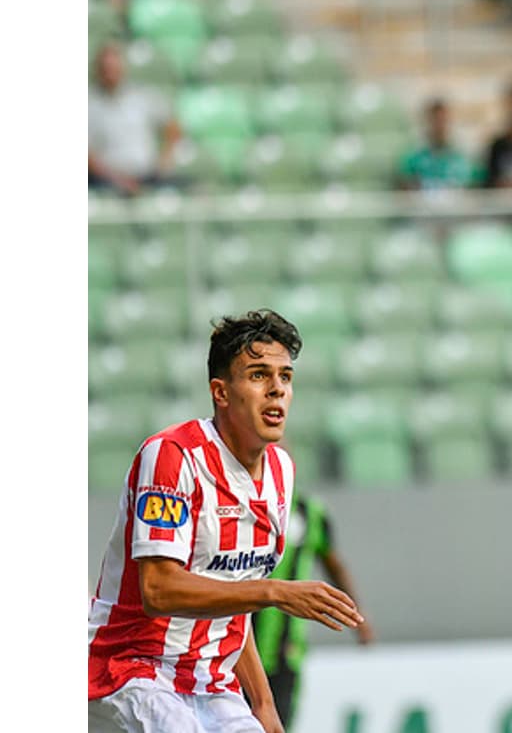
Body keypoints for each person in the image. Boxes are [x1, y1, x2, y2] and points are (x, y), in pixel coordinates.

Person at [88, 310, 366, 733]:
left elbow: (233, 601)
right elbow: (158, 590)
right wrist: (274, 591)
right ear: (221, 391)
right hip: (131, 670)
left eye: (285, 377)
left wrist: (264, 703)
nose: (276, 389)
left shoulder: (281, 472)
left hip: (212, 682)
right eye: (258, 375)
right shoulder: (172, 457)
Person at [253, 494, 376, 731]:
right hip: (232, 648)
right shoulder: (238, 503)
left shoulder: (309, 512)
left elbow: (333, 562)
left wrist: (356, 613)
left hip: (284, 651)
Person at [88, 41, 183, 196]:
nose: (110, 72)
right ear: (98, 70)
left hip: (148, 176)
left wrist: (163, 163)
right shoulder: (89, 104)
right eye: (106, 69)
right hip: (106, 181)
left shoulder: (142, 96)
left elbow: (172, 127)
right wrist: (115, 179)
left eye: (114, 67)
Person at [396, 98, 482, 192]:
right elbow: (405, 187)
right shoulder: (413, 159)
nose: (439, 126)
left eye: (443, 120)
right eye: (435, 120)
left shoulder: (463, 159)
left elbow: (475, 187)